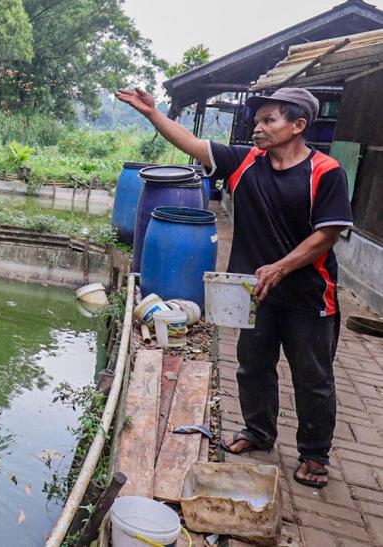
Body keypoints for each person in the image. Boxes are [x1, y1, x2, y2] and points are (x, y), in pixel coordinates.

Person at [116, 86, 353, 489]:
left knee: (312, 378)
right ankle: (259, 432)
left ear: (298, 125)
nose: (258, 128)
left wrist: (280, 267)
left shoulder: (326, 172)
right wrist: (151, 114)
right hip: (252, 292)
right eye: (257, 120)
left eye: (268, 120)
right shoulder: (245, 161)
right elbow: (190, 142)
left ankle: (314, 455)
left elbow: (327, 233)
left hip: (309, 294)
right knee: (253, 365)